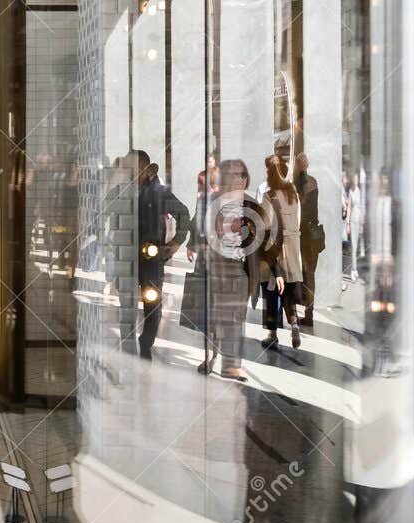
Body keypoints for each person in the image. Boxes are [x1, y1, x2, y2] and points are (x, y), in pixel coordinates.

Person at [122, 149, 190, 359]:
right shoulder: (121, 191)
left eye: (133, 167)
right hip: (126, 257)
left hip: (150, 259)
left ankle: (146, 344)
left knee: (152, 304)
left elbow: (184, 214)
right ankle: (128, 344)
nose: (129, 172)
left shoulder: (159, 192)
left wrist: (175, 245)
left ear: (144, 168)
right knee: (126, 304)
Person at [200, 158, 261, 380]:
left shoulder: (252, 205)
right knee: (215, 317)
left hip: (241, 268)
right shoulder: (214, 202)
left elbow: (267, 238)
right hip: (217, 267)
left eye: (241, 175)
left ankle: (230, 365)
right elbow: (204, 228)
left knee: (235, 318)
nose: (238, 180)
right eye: (233, 175)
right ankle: (212, 354)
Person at [259, 155, 304, 350]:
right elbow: (299, 218)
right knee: (290, 290)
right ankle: (294, 323)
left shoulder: (269, 195)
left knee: (272, 291)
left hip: (275, 247)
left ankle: (273, 334)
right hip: (293, 245)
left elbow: (265, 226)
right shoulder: (293, 192)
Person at [295, 153, 324, 327]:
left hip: (302, 235)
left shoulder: (298, 183)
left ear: (299, 165)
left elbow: (301, 209)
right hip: (312, 235)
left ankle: (303, 312)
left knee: (302, 275)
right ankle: (309, 313)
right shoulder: (314, 182)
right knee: (310, 276)